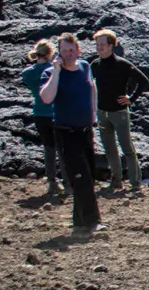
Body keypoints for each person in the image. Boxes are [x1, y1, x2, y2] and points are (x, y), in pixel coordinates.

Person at [37, 33, 104, 233]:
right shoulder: (49, 73)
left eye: (71, 49)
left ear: (78, 50)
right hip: (66, 132)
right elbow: (47, 98)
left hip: (85, 131)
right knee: (80, 176)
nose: (68, 54)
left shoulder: (85, 67)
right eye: (64, 50)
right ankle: (92, 221)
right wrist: (56, 71)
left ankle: (79, 221)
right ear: (58, 53)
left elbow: (92, 87)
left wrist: (94, 113)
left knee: (88, 176)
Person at [90, 29, 149, 193]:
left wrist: (131, 98)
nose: (99, 47)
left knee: (127, 148)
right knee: (109, 148)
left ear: (111, 45)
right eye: (98, 45)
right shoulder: (95, 65)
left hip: (119, 113)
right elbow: (85, 83)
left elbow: (144, 80)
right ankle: (116, 181)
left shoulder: (122, 64)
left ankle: (135, 183)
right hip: (102, 113)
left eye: (102, 44)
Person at [20, 39, 66, 197]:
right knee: (61, 148)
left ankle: (52, 182)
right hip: (54, 112)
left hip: (38, 113)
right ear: (49, 53)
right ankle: (67, 182)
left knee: (48, 148)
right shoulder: (51, 69)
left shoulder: (27, 73)